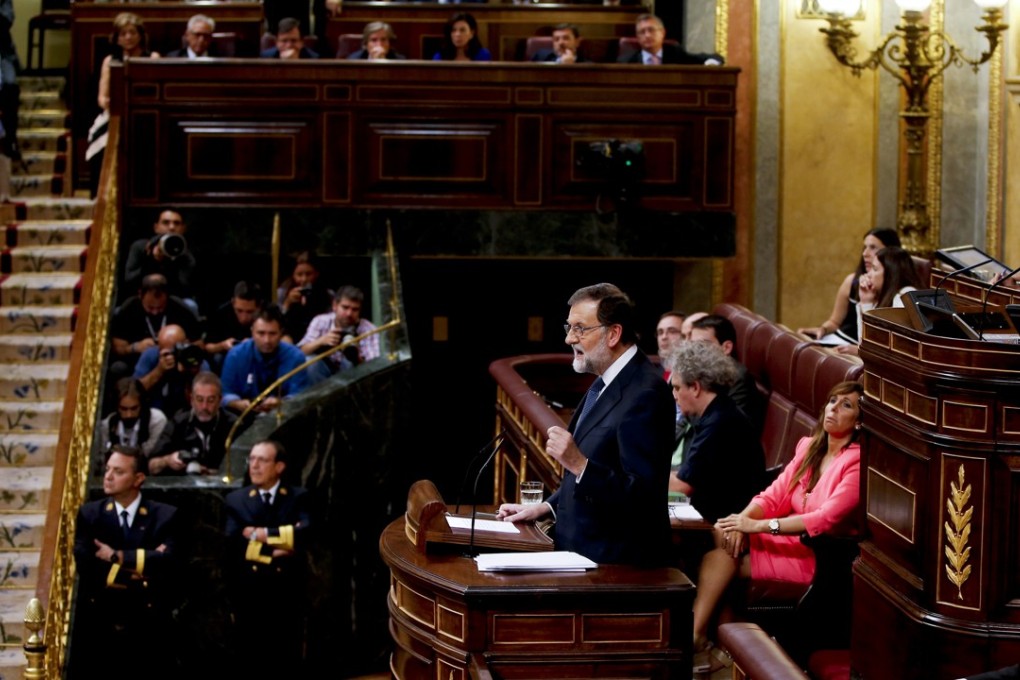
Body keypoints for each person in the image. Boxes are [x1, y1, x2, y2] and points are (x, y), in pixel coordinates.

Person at [497, 283, 676, 566]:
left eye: (580, 328)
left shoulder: (646, 394)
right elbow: (599, 470)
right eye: (568, 327)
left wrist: (579, 464)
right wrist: (547, 507)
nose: (569, 338)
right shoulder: (605, 381)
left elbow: (642, 498)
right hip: (580, 553)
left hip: (616, 567)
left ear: (614, 333)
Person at [698, 381, 863, 653]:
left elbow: (825, 519)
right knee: (722, 532)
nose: (833, 408)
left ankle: (702, 635)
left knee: (721, 558)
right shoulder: (810, 447)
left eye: (846, 405)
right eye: (833, 400)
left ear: (858, 422)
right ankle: (718, 640)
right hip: (790, 539)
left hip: (820, 555)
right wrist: (741, 522)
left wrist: (758, 526)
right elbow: (774, 496)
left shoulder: (856, 461)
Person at [72, 446, 180, 678]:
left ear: (138, 478)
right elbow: (86, 563)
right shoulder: (91, 514)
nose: (108, 476)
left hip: (149, 622)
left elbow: (168, 561)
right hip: (102, 621)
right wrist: (134, 573)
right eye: (108, 469)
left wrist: (117, 556)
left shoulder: (164, 515)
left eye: (118, 471)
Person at [224, 440, 311, 676]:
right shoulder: (236, 499)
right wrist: (278, 546)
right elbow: (234, 543)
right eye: (251, 459)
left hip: (288, 589)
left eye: (262, 460)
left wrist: (260, 534)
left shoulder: (297, 496)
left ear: (279, 466)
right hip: (250, 591)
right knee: (251, 655)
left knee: (287, 655)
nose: (254, 465)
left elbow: (306, 533)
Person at [669, 340, 765, 524]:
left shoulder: (719, 424)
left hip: (719, 526)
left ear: (695, 387)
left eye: (677, 387)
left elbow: (680, 488)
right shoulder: (718, 412)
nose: (674, 395)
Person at [87, 13, 159, 197]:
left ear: (141, 35)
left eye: (132, 32)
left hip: (143, 114)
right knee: (98, 136)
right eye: (123, 33)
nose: (128, 37)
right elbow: (101, 98)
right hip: (115, 113)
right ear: (117, 38)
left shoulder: (152, 58)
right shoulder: (109, 60)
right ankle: (100, 195)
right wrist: (110, 103)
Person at [797, 227, 901, 346]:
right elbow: (834, 321)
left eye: (873, 248)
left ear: (890, 252)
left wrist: (857, 349)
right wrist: (822, 329)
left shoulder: (900, 294)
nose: (865, 254)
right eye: (865, 247)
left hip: (858, 349)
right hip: (838, 340)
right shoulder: (852, 281)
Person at [220, 305, 317, 414]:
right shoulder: (236, 355)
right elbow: (225, 393)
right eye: (261, 333)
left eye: (272, 334)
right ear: (252, 331)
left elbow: (300, 396)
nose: (267, 340)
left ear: (281, 333)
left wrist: (280, 403)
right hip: (242, 416)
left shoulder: (295, 357)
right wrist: (237, 403)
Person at [109, 273, 202, 380]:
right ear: (140, 295)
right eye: (150, 307)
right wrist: (134, 347)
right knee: (118, 368)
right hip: (137, 360)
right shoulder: (129, 309)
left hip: (176, 361)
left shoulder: (179, 308)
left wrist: (183, 347)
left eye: (160, 307)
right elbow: (117, 347)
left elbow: (199, 343)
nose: (155, 312)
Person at [149, 372, 238, 475]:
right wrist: (167, 460)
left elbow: (243, 469)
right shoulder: (177, 423)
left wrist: (210, 473)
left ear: (219, 401)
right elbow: (151, 466)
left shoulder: (234, 425)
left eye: (211, 400)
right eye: (199, 400)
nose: (204, 407)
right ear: (191, 400)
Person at [689, 314, 766, 433]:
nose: (694, 352)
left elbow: (728, 429)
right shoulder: (700, 370)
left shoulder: (737, 378)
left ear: (726, 347)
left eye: (702, 346)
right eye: (692, 346)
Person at [848, 245, 921, 353]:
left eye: (875, 269)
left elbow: (898, 348)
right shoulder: (881, 296)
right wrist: (866, 302)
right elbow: (865, 344)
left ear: (891, 273)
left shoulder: (905, 295)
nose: (869, 274)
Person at [123, 209, 197, 310]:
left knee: (191, 305)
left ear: (183, 228)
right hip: (142, 298)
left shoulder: (186, 253)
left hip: (175, 301)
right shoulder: (141, 247)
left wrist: (170, 262)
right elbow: (129, 281)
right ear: (156, 227)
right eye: (166, 222)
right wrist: (151, 260)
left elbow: (185, 288)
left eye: (177, 223)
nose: (172, 227)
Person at [133, 323, 210, 417]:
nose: (171, 356)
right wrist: (159, 370)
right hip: (153, 411)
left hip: (184, 413)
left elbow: (201, 403)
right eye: (166, 351)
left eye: (174, 351)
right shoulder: (150, 355)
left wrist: (189, 374)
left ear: (185, 343)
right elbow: (134, 392)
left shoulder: (196, 361)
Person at [298, 285, 380, 371]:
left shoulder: (369, 329)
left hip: (353, 374)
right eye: (345, 307)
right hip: (324, 372)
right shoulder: (320, 321)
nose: (349, 314)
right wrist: (321, 341)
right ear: (335, 306)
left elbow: (374, 368)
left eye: (355, 310)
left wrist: (356, 356)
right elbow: (300, 352)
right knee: (310, 362)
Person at [98, 378, 168, 459]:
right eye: (123, 409)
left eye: (134, 408)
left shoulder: (156, 421)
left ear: (142, 405)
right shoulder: (107, 425)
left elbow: (152, 455)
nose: (129, 415)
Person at [205, 280, 265, 372]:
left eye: (250, 312)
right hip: (227, 358)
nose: (244, 318)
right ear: (233, 302)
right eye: (239, 311)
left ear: (259, 306)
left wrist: (255, 343)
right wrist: (222, 345)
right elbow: (207, 346)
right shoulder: (221, 313)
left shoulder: (267, 315)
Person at [618, 14, 723, 66]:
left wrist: (711, 63)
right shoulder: (628, 62)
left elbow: (712, 58)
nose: (647, 35)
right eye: (642, 32)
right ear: (637, 37)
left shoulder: (675, 53)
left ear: (662, 33)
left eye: (651, 30)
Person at [277, 251, 333, 342]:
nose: (304, 279)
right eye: (299, 275)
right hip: (289, 336)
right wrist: (287, 303)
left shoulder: (328, 295)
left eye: (308, 274)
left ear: (316, 274)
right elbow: (274, 321)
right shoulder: (282, 292)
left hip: (317, 339)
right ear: (293, 274)